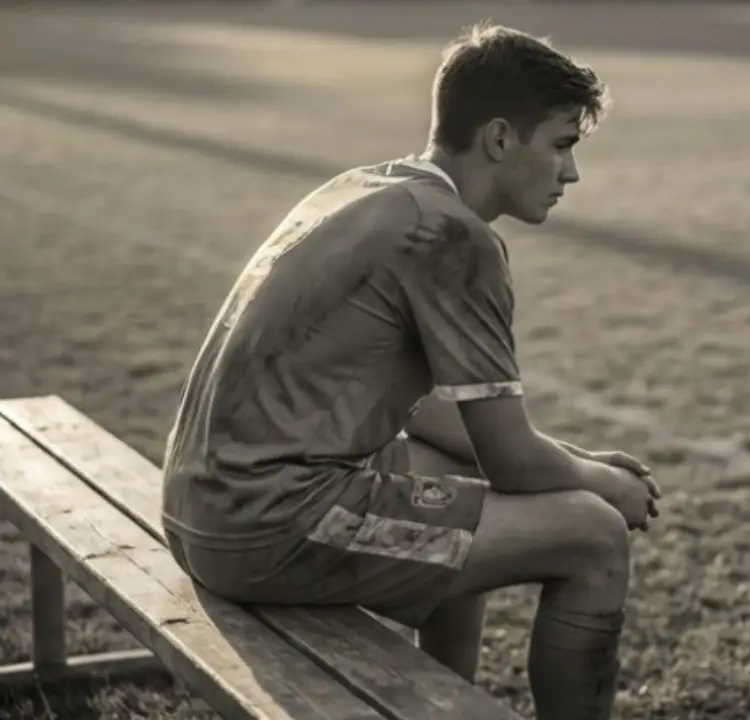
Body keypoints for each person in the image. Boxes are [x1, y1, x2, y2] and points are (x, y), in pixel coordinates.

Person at [160, 22, 660, 720]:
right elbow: (512, 461)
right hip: (265, 526)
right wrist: (607, 486)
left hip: (199, 506)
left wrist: (578, 459)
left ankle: (440, 706)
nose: (571, 172)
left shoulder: (365, 188)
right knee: (594, 534)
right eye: (561, 144)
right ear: (499, 138)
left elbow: (429, 414)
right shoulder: (452, 236)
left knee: (453, 475)